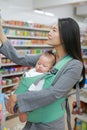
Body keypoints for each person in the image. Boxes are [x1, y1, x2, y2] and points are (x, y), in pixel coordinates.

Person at [0, 17, 85, 130]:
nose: (49, 33)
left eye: (54, 30)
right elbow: (21, 59)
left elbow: (54, 93)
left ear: (65, 36)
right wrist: (1, 33)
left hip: (49, 123)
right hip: (33, 117)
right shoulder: (51, 56)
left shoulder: (74, 65)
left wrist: (18, 98)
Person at [14, 50, 56, 122]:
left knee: (22, 109)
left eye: (44, 66)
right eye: (38, 63)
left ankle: (23, 115)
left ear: (50, 68)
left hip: (29, 96)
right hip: (21, 91)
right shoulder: (33, 70)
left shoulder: (44, 76)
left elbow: (36, 90)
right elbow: (25, 77)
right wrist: (19, 84)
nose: (40, 66)